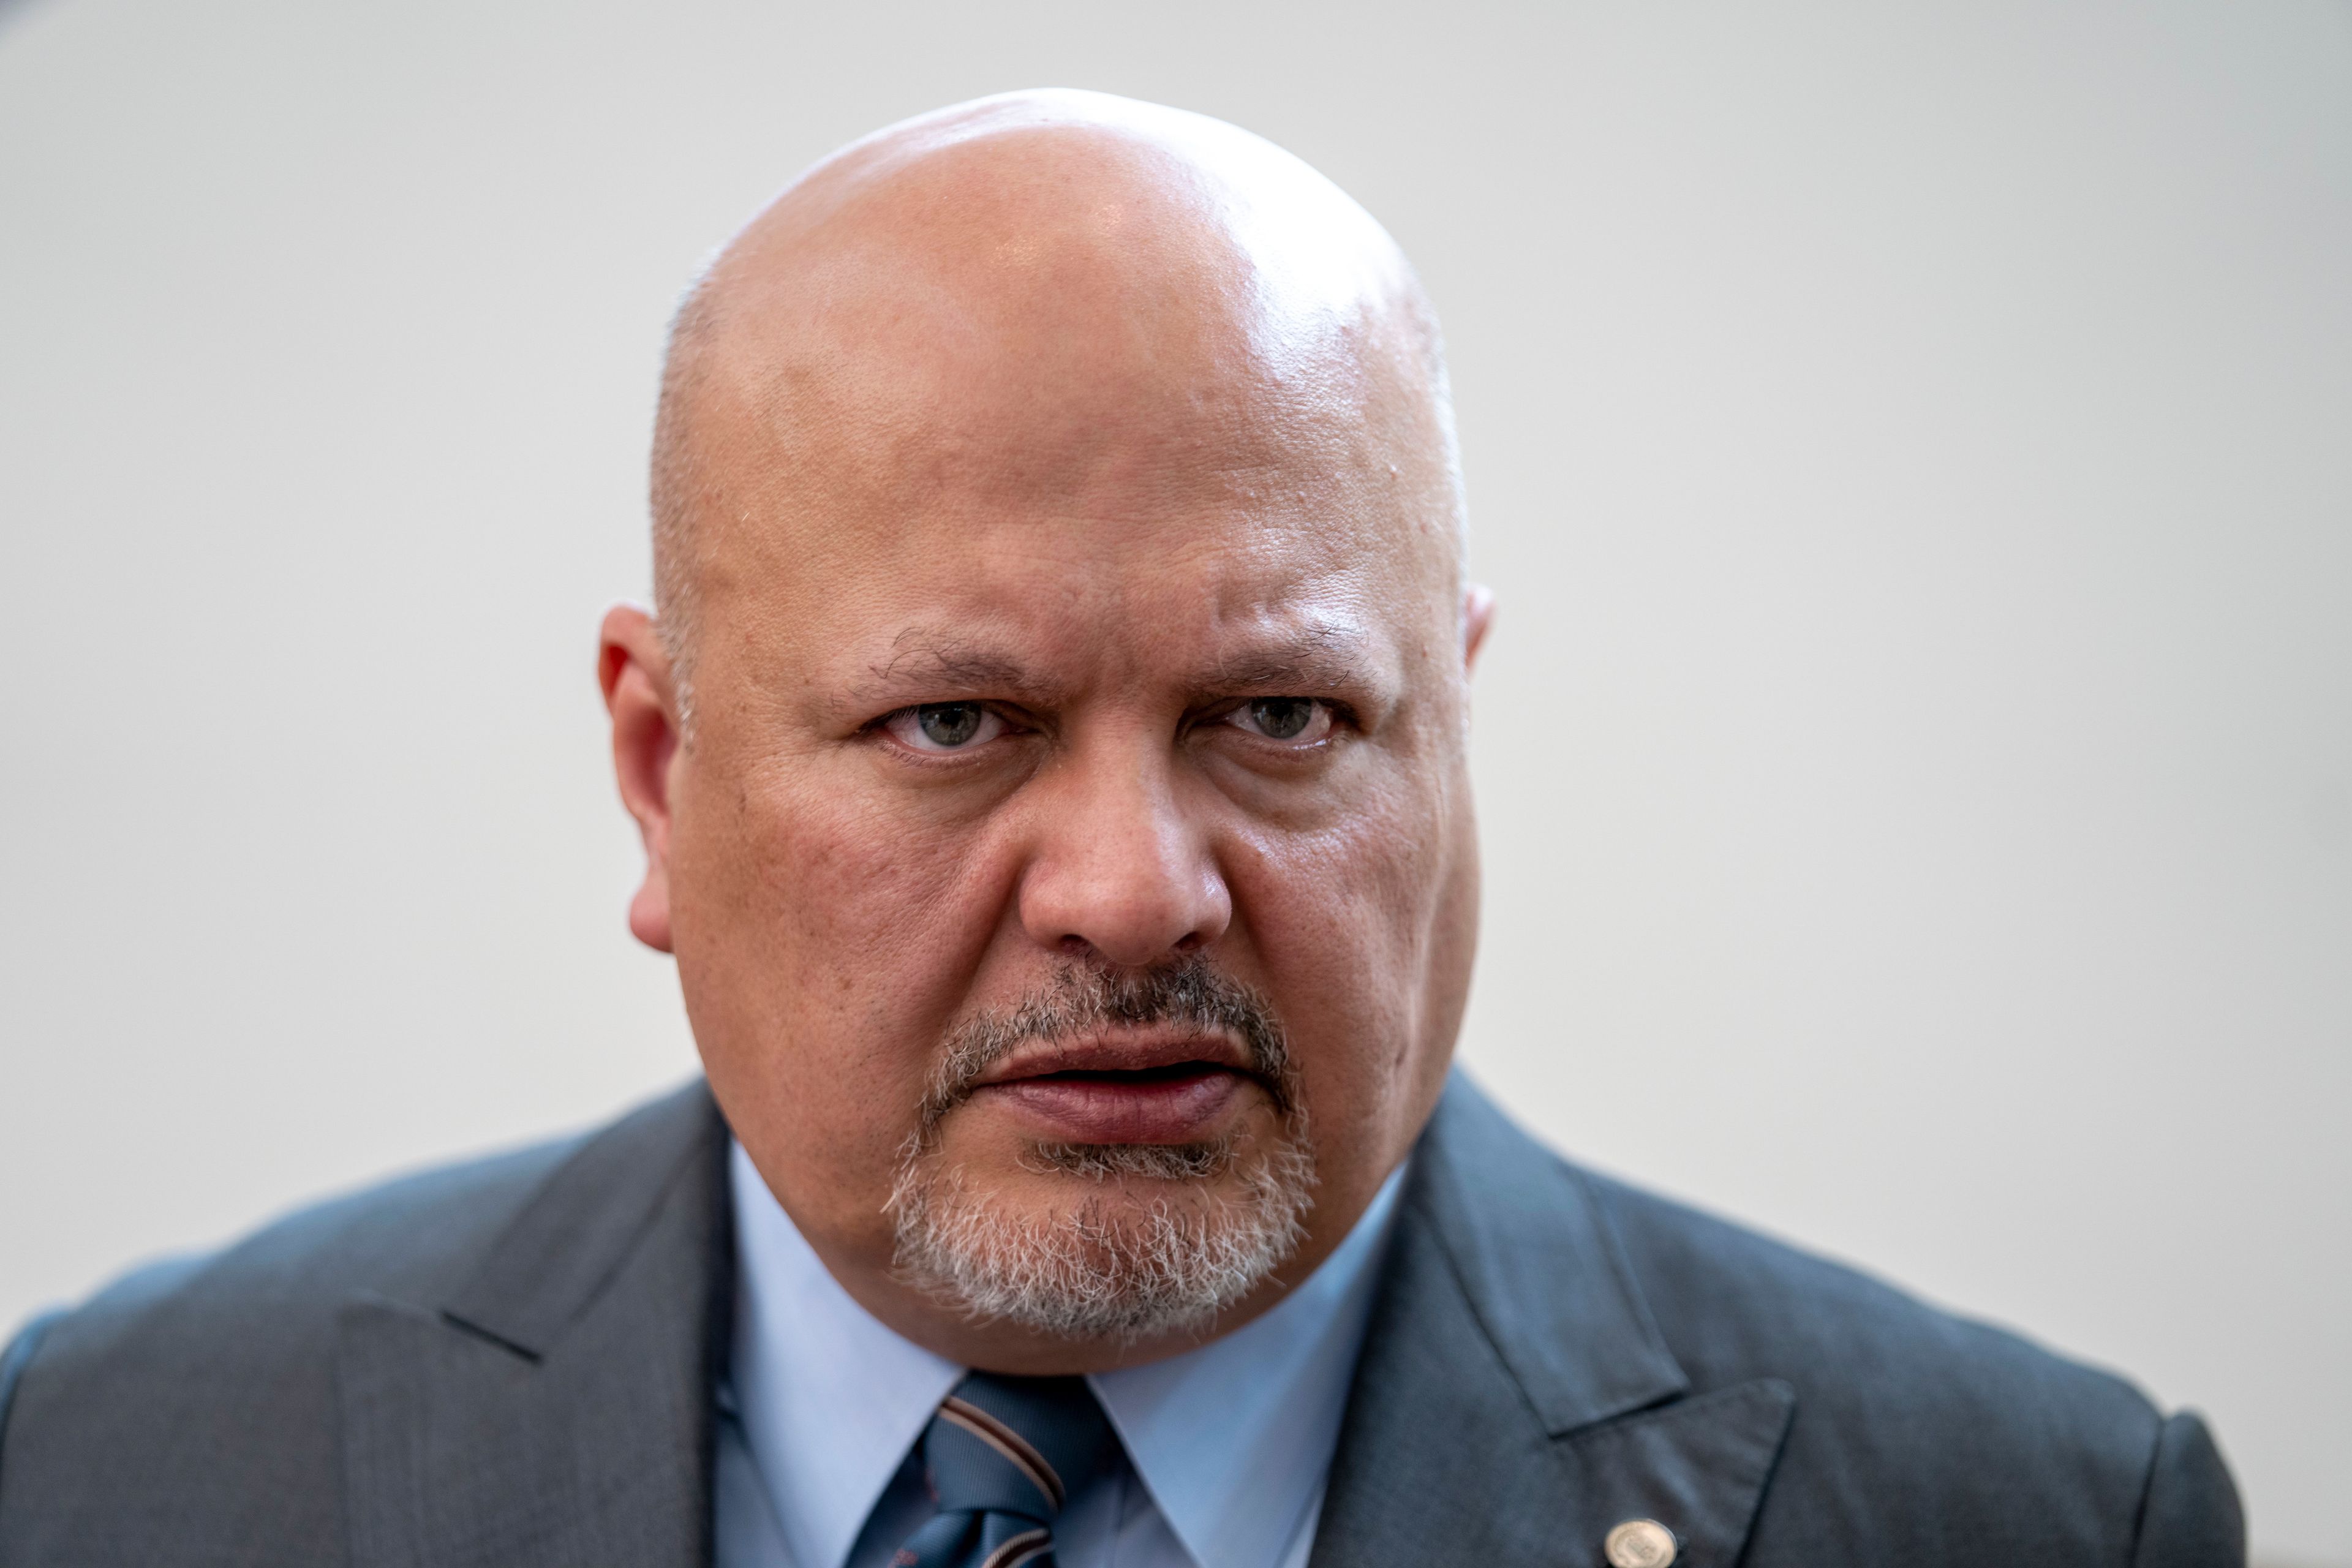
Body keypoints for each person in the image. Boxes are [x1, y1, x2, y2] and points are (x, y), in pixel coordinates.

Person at [0, 89, 2241, 1567]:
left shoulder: (2028, 1519)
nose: (1135, 889)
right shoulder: (110, 1472)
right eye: (957, 721)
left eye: (1281, 714)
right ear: (666, 776)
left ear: (1448, 730)